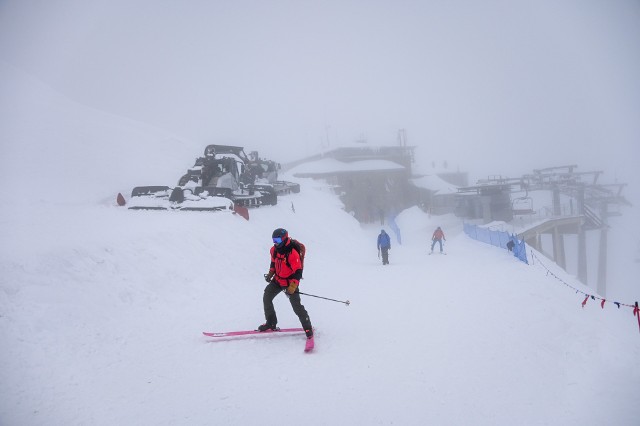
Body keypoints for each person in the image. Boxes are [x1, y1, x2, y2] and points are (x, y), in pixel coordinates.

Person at [259, 228, 313, 341]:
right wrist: (270, 274)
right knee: (267, 297)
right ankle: (271, 323)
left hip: (289, 283)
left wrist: (293, 286)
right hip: (277, 280)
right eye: (274, 240)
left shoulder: (292, 253)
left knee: (296, 307)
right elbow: (273, 262)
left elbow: (298, 272)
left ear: (284, 239)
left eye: (277, 240)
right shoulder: (273, 250)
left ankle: (308, 328)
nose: (275, 242)